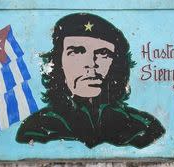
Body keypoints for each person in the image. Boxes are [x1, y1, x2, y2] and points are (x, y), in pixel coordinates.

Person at [16, 13, 165, 149]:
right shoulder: (37, 128)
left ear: (116, 65)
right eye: (77, 51)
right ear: (58, 63)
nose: (91, 63)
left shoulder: (144, 127)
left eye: (103, 53)